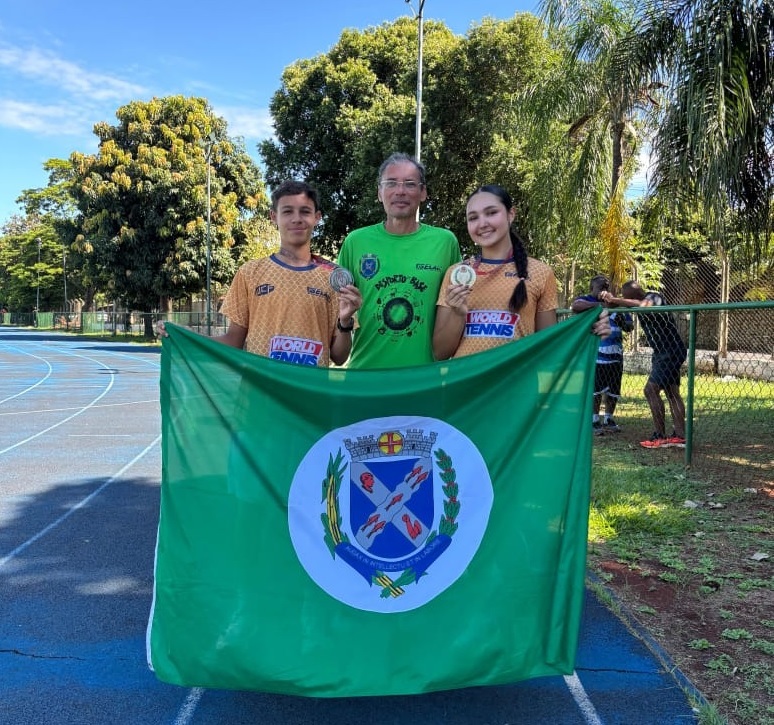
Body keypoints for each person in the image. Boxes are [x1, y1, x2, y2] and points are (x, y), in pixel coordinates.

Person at [158, 180, 361, 367]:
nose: (297, 219)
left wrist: (345, 323)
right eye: (288, 211)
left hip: (310, 400)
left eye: (305, 211)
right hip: (260, 397)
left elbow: (340, 357)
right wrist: (187, 335)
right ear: (274, 216)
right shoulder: (250, 273)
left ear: (317, 217)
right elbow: (233, 341)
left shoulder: (333, 277)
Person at [433, 184, 610, 361]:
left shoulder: (540, 272)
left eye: (491, 213)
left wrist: (588, 329)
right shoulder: (457, 274)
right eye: (473, 217)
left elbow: (548, 347)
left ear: (511, 215)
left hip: (517, 384)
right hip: (466, 384)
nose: (482, 223)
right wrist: (457, 313)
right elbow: (440, 353)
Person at [336, 152, 461, 369]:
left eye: (410, 184)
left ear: (423, 193)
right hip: (364, 377)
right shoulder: (356, 241)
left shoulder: (445, 242)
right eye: (391, 183)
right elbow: (337, 312)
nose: (400, 191)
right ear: (379, 192)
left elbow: (455, 312)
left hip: (422, 381)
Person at [599, 281, 687, 449]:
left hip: (669, 351)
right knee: (672, 392)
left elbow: (644, 305)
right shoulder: (634, 303)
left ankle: (660, 436)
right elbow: (614, 306)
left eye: (626, 298)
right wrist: (607, 298)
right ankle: (679, 436)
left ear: (633, 296)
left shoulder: (653, 296)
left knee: (650, 390)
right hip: (664, 352)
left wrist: (617, 299)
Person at [571, 275, 633, 435]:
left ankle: (609, 418)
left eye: (607, 287)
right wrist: (600, 304)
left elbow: (629, 326)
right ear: (592, 289)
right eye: (601, 287)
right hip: (596, 355)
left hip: (616, 355)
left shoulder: (616, 304)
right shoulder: (587, 300)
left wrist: (622, 320)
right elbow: (575, 305)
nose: (604, 290)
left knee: (613, 390)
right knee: (596, 390)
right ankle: (594, 420)